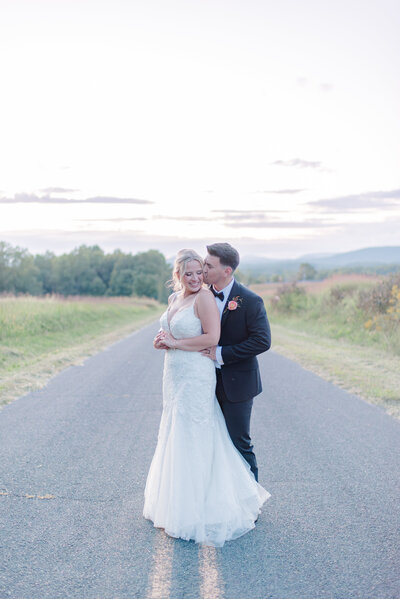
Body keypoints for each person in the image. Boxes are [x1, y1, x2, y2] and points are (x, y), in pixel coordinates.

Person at [143, 249, 270, 547]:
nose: (199, 277)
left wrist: (178, 343)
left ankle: (245, 499)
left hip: (217, 376)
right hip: (176, 374)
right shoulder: (177, 298)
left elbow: (216, 338)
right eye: (191, 272)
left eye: (203, 270)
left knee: (232, 438)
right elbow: (172, 329)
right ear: (178, 275)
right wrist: (163, 340)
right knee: (179, 432)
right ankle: (177, 501)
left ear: (225, 270)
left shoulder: (226, 298)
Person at [200, 242, 271, 482]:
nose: (203, 268)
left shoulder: (251, 300)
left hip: (237, 383)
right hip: (202, 380)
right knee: (208, 440)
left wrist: (221, 353)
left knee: (239, 441)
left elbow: (262, 341)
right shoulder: (199, 294)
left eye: (209, 265)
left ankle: (252, 497)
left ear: (227, 271)